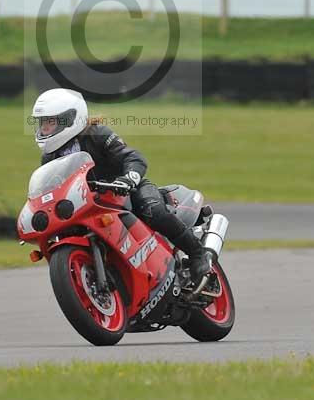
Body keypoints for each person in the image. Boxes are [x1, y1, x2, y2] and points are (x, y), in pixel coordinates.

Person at [31, 87, 212, 291]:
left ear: (71, 117)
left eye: (51, 122)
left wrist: (129, 179)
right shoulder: (49, 157)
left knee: (154, 211)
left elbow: (132, 157)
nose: (44, 128)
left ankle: (197, 254)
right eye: (42, 122)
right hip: (91, 205)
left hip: (126, 191)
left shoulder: (96, 134)